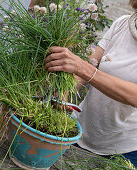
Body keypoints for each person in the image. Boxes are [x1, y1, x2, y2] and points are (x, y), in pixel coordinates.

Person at [44, 0, 137, 167]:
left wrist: (83, 68)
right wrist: (65, 91)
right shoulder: (122, 24)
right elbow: (91, 63)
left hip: (123, 150)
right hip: (78, 131)